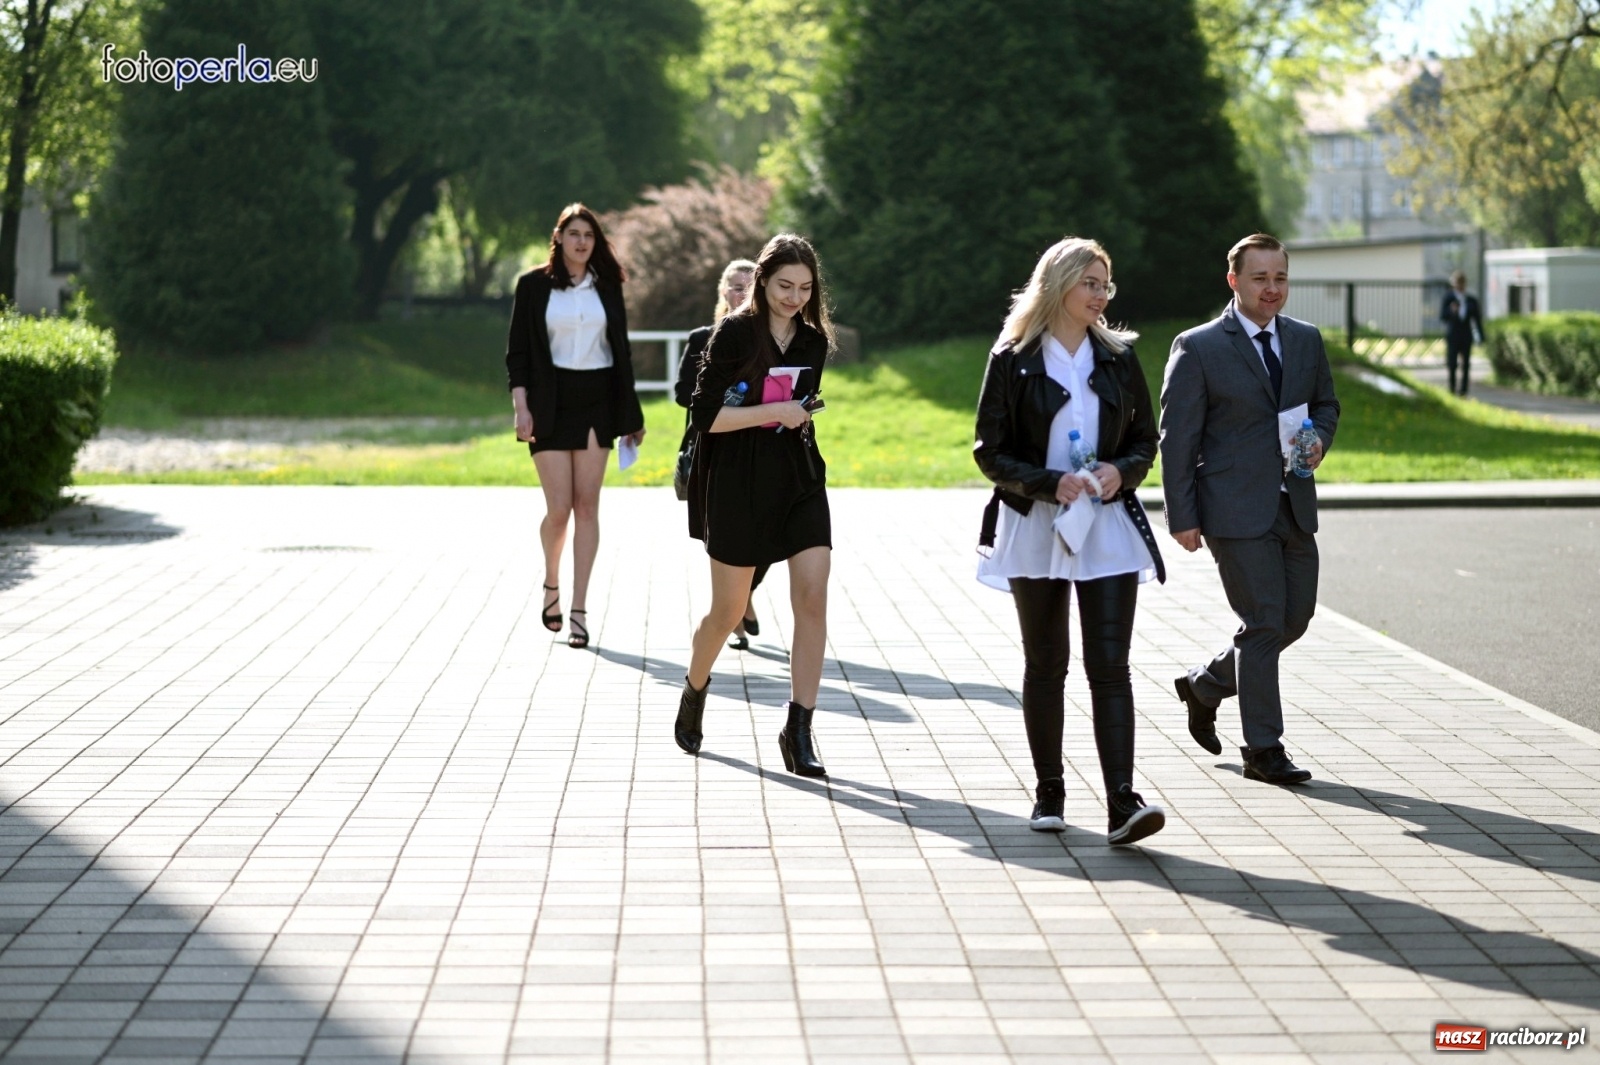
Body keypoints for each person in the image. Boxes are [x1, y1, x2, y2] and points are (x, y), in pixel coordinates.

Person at [973, 237, 1169, 845]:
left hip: (1105, 528)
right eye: (1091, 282)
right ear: (1058, 284)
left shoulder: (1118, 356)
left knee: (1110, 667)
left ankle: (1121, 802)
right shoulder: (1012, 357)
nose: (1101, 294)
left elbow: (1144, 438)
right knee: (1046, 664)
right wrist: (1047, 482)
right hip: (1036, 525)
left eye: (1106, 284)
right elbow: (989, 451)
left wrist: (1121, 472)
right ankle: (1049, 791)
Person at [1159, 233, 1340, 785]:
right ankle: (1263, 749)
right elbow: (1177, 437)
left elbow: (1327, 404)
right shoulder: (1199, 346)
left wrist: (1319, 440)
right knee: (1262, 623)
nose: (1272, 288)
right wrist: (1182, 515)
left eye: (1280, 277)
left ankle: (1207, 684)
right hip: (1233, 509)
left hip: (1294, 503)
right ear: (1234, 281)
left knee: (1294, 618)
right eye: (1260, 278)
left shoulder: (1306, 341)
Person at [674, 234, 832, 777]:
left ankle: (800, 727)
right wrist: (782, 411)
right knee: (726, 611)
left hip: (799, 478)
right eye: (785, 286)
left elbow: (798, 404)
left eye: (805, 289)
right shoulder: (736, 333)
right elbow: (705, 415)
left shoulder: (813, 341)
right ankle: (695, 688)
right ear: (762, 282)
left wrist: (799, 411)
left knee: (812, 598)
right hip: (737, 482)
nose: (794, 297)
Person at [505, 203, 646, 650]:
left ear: (595, 242)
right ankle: (551, 583)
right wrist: (520, 407)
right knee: (559, 508)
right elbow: (518, 355)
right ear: (559, 238)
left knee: (587, 506)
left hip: (596, 402)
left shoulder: (606, 287)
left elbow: (619, 351)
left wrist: (632, 416)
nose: (582, 241)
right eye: (574, 234)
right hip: (549, 401)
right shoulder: (532, 286)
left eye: (589, 234)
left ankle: (580, 610)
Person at [674, 259, 769, 651]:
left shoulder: (770, 338)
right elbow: (682, 394)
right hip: (711, 453)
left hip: (762, 450)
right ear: (722, 291)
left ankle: (743, 595)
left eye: (748, 286)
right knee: (726, 540)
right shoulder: (701, 338)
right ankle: (732, 614)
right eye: (734, 286)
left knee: (766, 536)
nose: (740, 293)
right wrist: (717, 390)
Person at [1439, 269, 1484, 397]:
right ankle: (1452, 388)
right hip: (1453, 335)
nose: (1460, 285)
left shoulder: (1471, 300)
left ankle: (1463, 390)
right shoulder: (1448, 298)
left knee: (1466, 364)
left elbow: (1477, 320)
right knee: (1452, 363)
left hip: (1466, 335)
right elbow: (1443, 316)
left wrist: (1480, 336)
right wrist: (1451, 311)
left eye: (1462, 283)